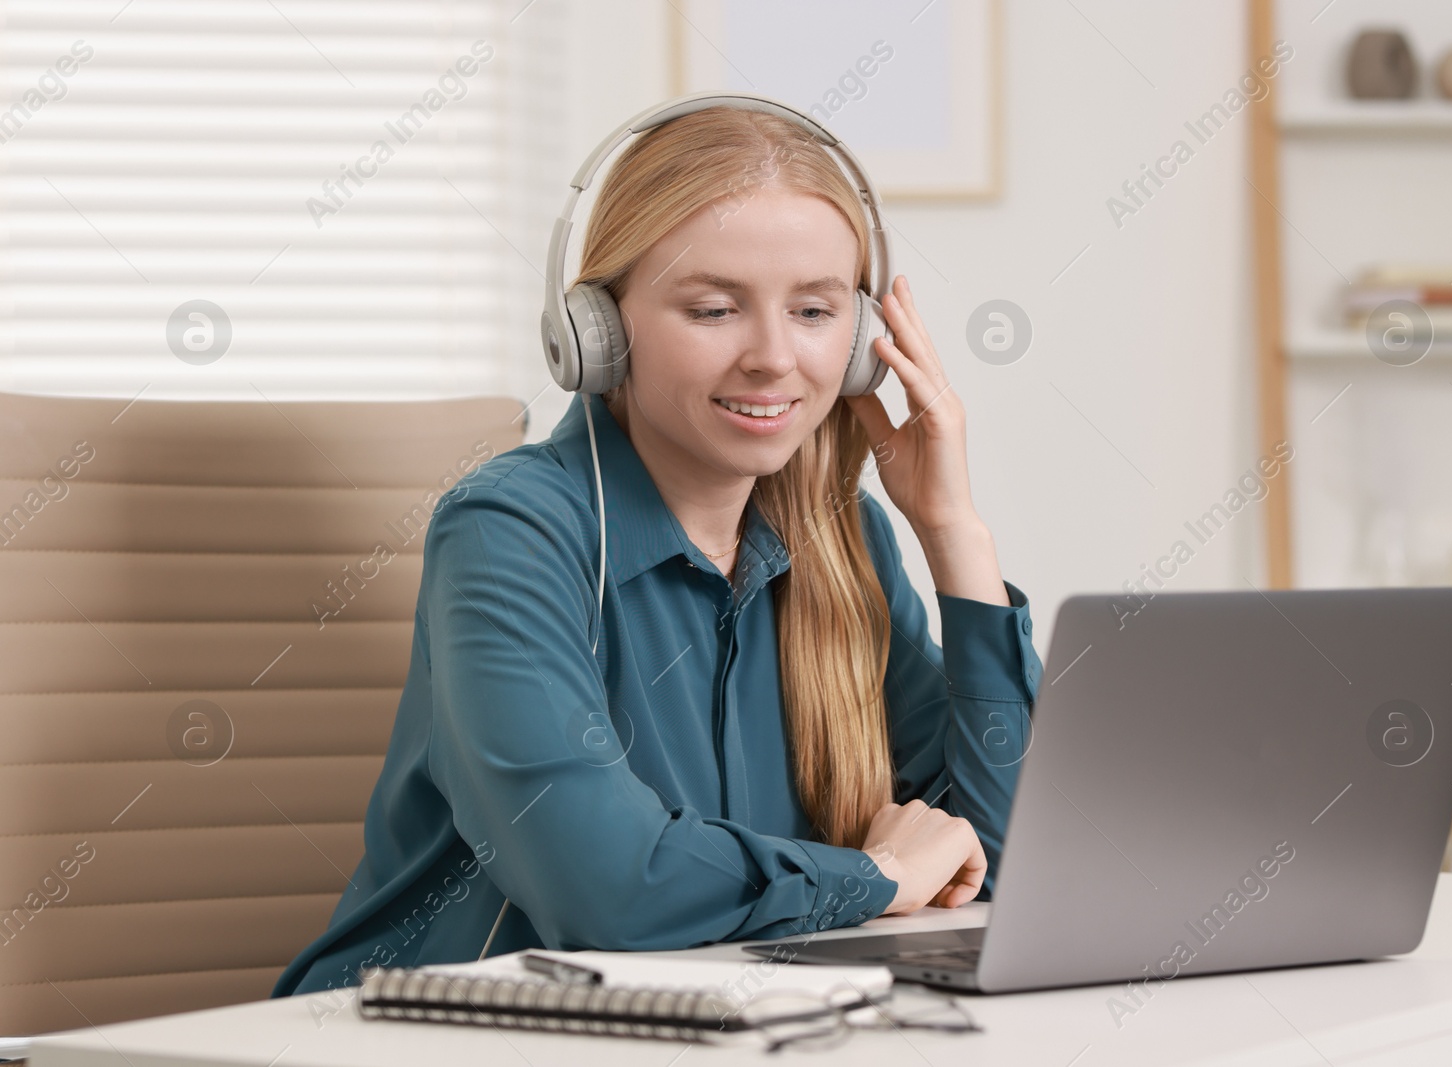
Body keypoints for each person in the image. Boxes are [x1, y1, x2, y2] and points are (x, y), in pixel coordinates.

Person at [272, 102, 1042, 998]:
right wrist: (874, 879)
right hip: (448, 1031)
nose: (774, 356)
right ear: (597, 330)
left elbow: (1009, 856)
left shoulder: (842, 539)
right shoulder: (511, 531)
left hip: (718, 1022)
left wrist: (955, 537)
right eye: (714, 308)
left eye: (815, 310)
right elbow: (606, 887)